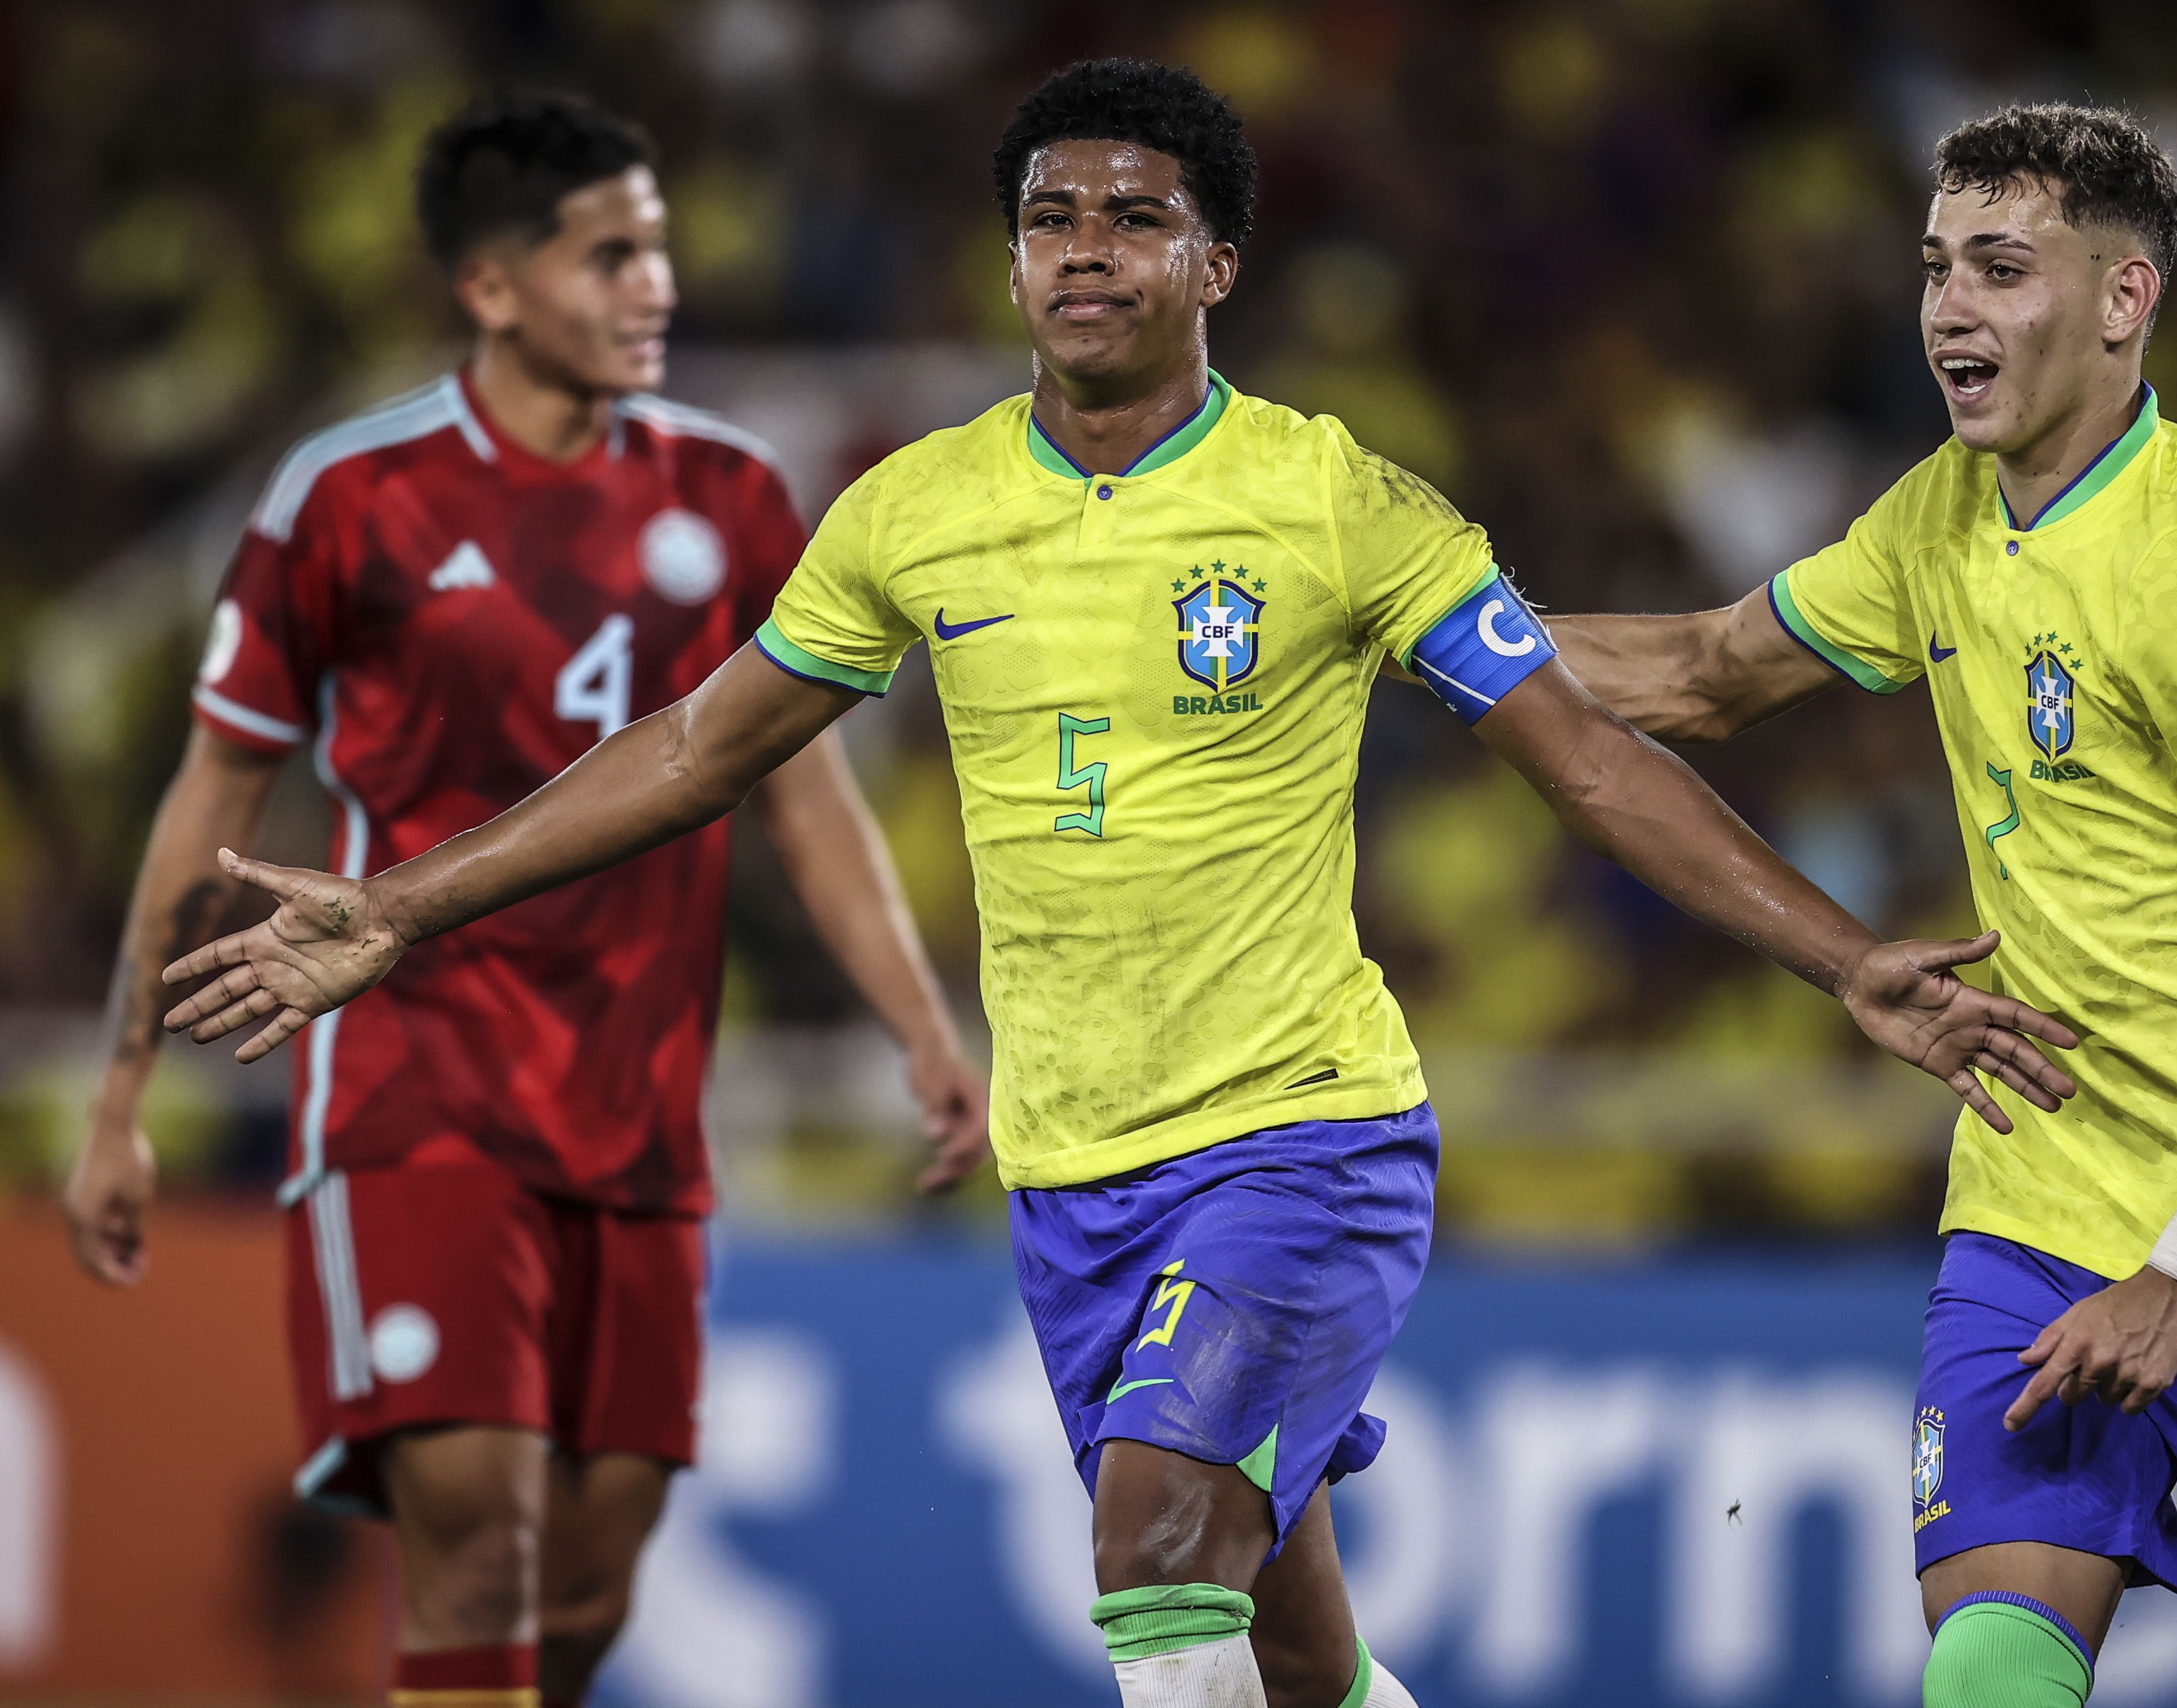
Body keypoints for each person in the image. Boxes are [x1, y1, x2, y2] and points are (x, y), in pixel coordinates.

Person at [156, 62, 2076, 1708]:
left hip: (1301, 1139)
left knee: (1153, 1543)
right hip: (1074, 1174)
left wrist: (1840, 957)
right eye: (1049, 215)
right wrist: (400, 902)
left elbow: (1581, 748)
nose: (1081, 245)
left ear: (1212, 266)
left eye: (1132, 218)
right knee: (1298, 1660)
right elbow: (694, 747)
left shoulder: (1341, 502)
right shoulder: (914, 510)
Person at [1546, 102, 2177, 1708]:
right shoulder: (1945, 510)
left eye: (2001, 268)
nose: (1949, 306)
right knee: (1988, 1677)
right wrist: (1418, 622)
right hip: (2033, 1194)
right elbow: (1703, 672)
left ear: (2119, 299)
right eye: (1937, 265)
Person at [61, 91, 988, 1708]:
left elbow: (811, 792)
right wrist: (122, 1089)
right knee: (476, 1538)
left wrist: (922, 1023)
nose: (658, 287)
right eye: (611, 253)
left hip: (641, 1102)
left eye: (662, 249)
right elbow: (208, 795)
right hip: (413, 1085)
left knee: (590, 1571)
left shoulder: (735, 496)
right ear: (490, 287)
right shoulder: (350, 499)